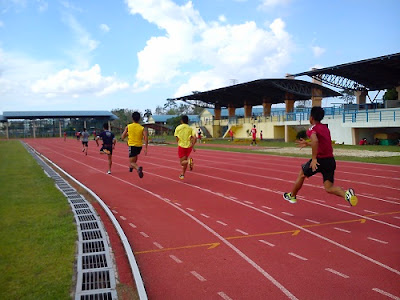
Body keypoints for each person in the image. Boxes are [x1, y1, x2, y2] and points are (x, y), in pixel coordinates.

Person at [283, 106, 358, 207]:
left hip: (319, 160)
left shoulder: (312, 129)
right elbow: (322, 143)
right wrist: (308, 144)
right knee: (329, 187)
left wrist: (314, 159)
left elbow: (315, 141)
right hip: (330, 161)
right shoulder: (325, 128)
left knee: (301, 174)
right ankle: (346, 195)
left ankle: (292, 196)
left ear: (311, 117)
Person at [121, 111, 148, 178]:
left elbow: (122, 137)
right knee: (134, 158)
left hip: (132, 146)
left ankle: (138, 168)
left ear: (132, 118)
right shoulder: (142, 128)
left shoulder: (128, 126)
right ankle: (131, 168)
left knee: (131, 162)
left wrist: (126, 140)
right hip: (139, 146)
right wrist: (146, 148)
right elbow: (146, 137)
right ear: (139, 119)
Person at [174, 115, 197, 180]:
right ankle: (182, 174)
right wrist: (193, 145)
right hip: (188, 146)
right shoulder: (190, 128)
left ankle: (189, 162)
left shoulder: (178, 128)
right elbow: (195, 137)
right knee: (185, 160)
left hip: (182, 146)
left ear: (181, 121)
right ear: (188, 121)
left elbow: (177, 138)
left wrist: (178, 142)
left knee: (182, 162)